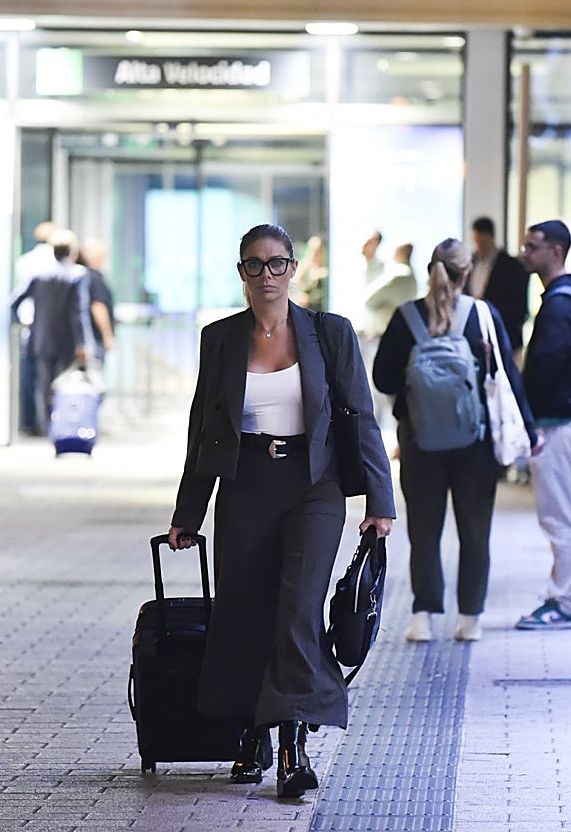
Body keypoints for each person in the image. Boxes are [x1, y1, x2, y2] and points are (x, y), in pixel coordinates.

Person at [166, 223, 395, 799]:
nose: (266, 275)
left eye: (276, 263)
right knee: (244, 611)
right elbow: (203, 428)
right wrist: (188, 513)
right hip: (245, 485)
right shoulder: (219, 339)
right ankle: (252, 732)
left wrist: (380, 500)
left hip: (314, 485)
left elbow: (361, 416)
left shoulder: (330, 333)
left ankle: (293, 744)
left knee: (297, 609)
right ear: (240, 272)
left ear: (294, 269)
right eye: (253, 264)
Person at [373, 237, 538, 643]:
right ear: (467, 272)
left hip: (419, 441)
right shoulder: (483, 316)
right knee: (474, 530)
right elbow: (507, 378)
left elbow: (382, 378)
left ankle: (424, 617)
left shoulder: (405, 317)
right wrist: (530, 434)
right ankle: (470, 619)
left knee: (425, 532)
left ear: (432, 269)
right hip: (475, 445)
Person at [514, 220, 571, 631]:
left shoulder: (561, 305)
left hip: (559, 425)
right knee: (562, 515)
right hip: (562, 422)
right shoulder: (564, 300)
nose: (525, 253)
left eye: (533, 247)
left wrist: (529, 421)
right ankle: (563, 598)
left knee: (560, 516)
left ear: (556, 252)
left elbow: (545, 371)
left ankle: (564, 602)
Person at [9, 228, 94, 429]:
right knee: (65, 385)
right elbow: (78, 312)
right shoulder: (77, 275)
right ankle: (64, 426)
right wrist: (83, 343)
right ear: (72, 252)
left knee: (45, 387)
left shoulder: (39, 275)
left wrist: (21, 323)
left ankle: (49, 426)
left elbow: (13, 302)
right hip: (68, 341)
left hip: (41, 339)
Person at [357, 237, 419, 429]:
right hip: (384, 335)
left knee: (377, 390)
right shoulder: (406, 276)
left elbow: (369, 298)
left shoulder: (399, 275)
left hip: (379, 336)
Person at [14, 222, 59, 435]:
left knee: (29, 377)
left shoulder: (25, 262)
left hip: (29, 327)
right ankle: (50, 424)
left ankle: (29, 422)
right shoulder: (58, 266)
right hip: (53, 331)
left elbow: (17, 299)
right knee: (50, 380)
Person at [469, 216, 530, 356]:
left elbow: (519, 307)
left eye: (482, 242)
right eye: (477, 242)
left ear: (491, 238)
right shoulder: (471, 262)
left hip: (505, 335)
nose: (479, 247)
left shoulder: (512, 266)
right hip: (478, 336)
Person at [76, 238, 116, 365]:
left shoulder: (81, 275)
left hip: (85, 339)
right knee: (94, 376)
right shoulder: (94, 278)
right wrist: (107, 335)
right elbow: (98, 306)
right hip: (94, 339)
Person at [290, 235, 328, 311]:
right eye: (312, 250)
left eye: (317, 251)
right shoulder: (304, 266)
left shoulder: (324, 268)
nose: (314, 254)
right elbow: (295, 281)